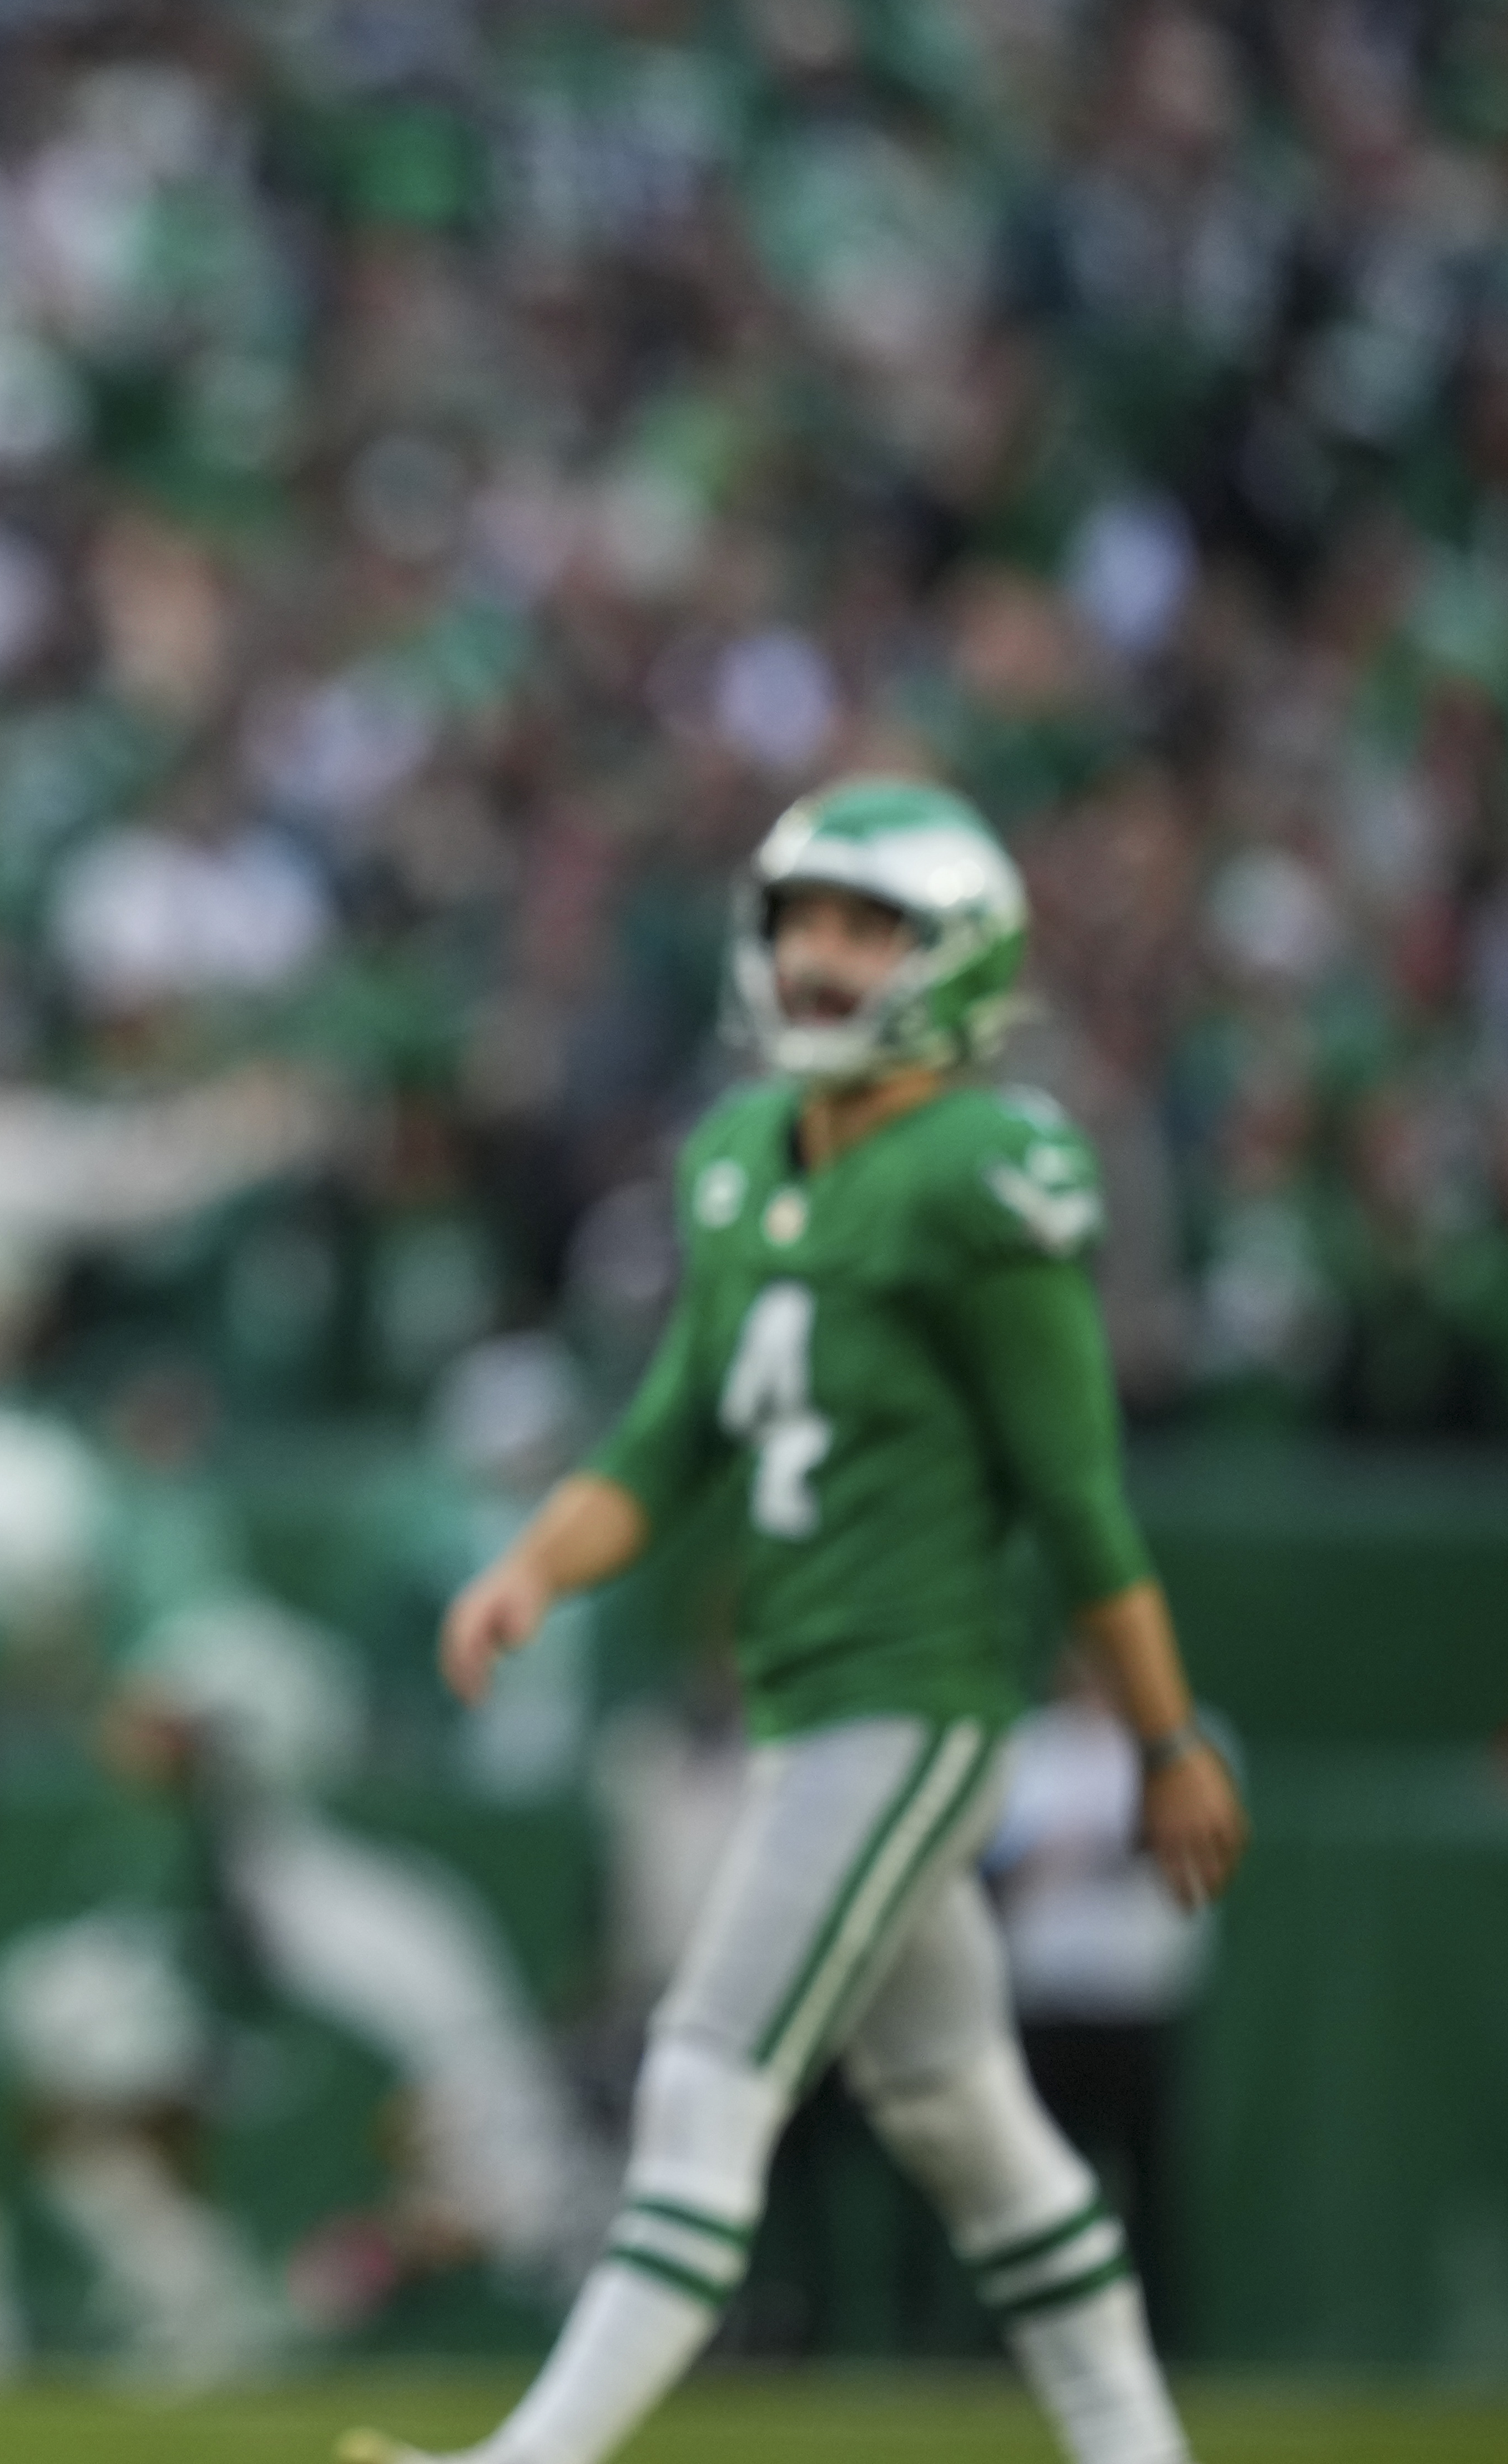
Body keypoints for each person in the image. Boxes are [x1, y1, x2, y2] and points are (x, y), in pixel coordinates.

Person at [344, 778, 1250, 2464]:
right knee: (964, 2116)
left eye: (866, 926)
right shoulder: (741, 1156)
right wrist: (537, 1566)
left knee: (702, 2074)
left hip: (911, 1701)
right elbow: (671, 1431)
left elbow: (1075, 1493)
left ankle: (526, 2462)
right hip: (801, 1696)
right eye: (803, 920)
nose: (822, 958)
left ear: (958, 957)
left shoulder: (986, 1169)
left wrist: (1161, 1733)